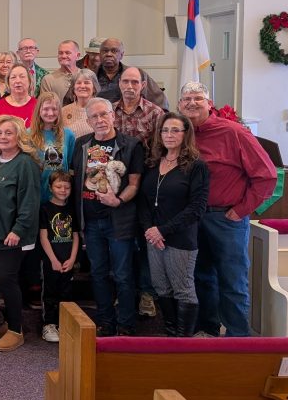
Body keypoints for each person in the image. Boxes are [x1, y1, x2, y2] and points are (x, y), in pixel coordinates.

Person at [178, 81, 276, 337]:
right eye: (186, 99)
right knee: (200, 277)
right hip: (191, 219)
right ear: (179, 105)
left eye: (198, 98)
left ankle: (238, 338)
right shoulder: (179, 134)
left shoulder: (234, 132)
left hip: (225, 217)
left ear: (209, 104)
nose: (192, 103)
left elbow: (267, 176)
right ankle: (207, 330)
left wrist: (241, 210)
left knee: (232, 279)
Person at [70, 98, 145, 336]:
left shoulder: (131, 145)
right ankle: (105, 322)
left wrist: (118, 200)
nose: (100, 120)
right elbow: (75, 178)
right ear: (88, 121)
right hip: (91, 222)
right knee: (98, 273)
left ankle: (126, 325)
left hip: (119, 221)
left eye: (104, 114)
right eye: (94, 116)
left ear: (113, 115)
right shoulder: (82, 144)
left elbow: (134, 184)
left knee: (123, 275)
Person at [138, 111, 210, 337]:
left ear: (185, 134)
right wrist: (150, 230)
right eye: (165, 130)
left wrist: (162, 230)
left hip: (180, 237)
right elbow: (143, 202)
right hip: (153, 237)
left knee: (183, 289)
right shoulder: (152, 164)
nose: (169, 135)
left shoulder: (196, 167)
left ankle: (184, 341)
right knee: (161, 287)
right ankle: (171, 334)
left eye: (175, 130)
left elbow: (197, 208)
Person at [0, 116, 41, 352]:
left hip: (11, 237)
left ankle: (16, 330)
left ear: (19, 137)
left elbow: (30, 202)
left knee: (7, 280)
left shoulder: (25, 164)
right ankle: (3, 324)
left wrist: (18, 230)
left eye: (8, 133)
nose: (3, 137)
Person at [113, 65, 165, 320]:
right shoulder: (110, 111)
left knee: (145, 241)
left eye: (135, 82)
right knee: (120, 242)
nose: (130, 86)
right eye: (126, 81)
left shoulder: (155, 114)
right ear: (119, 84)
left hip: (145, 185)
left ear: (143, 85)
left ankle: (146, 293)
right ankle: (123, 291)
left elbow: (161, 151)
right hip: (114, 186)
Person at [38, 170, 80, 343]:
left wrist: (72, 259)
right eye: (58, 186)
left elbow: (76, 236)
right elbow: (43, 237)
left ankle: (65, 323)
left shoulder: (72, 209)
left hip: (68, 260)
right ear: (50, 188)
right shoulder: (45, 208)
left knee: (66, 293)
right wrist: (53, 260)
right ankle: (48, 324)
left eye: (67, 187)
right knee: (50, 292)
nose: (63, 190)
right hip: (51, 260)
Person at [96, 38, 168, 109]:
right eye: (105, 51)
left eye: (114, 51)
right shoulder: (92, 75)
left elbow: (160, 101)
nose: (109, 54)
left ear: (121, 55)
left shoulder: (137, 74)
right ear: (100, 54)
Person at [28, 91, 75, 201]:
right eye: (46, 109)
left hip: (60, 196)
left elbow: (70, 164)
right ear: (39, 110)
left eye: (54, 109)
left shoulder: (68, 135)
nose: (50, 113)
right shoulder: (28, 135)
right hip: (36, 194)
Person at [0, 64, 36, 156]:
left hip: (33, 159)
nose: (18, 81)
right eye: (13, 77)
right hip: (1, 160)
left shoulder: (38, 107)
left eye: (22, 77)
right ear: (8, 83)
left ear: (30, 81)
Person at [60, 68, 100, 138]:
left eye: (86, 83)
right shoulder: (63, 111)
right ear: (73, 88)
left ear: (94, 88)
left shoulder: (102, 109)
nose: (82, 86)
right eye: (78, 83)